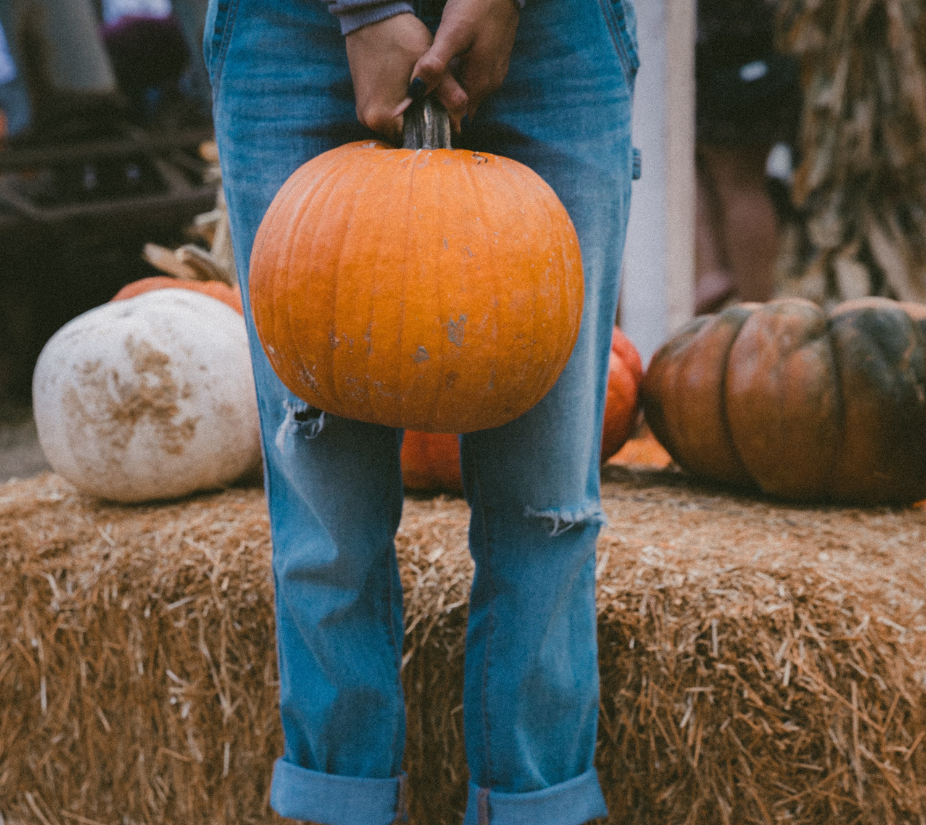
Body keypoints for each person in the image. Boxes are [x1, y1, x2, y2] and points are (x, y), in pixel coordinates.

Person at [207, 0, 638, 823]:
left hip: (552, 27)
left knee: (546, 507)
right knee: (326, 519)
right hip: (295, 26)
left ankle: (534, 808)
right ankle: (340, 806)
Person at [693, 0, 800, 314]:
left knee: (738, 177)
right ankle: (718, 278)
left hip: (732, 41)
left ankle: (754, 307)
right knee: (705, 165)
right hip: (742, 36)